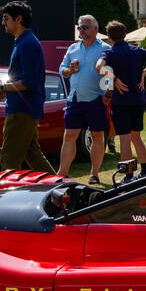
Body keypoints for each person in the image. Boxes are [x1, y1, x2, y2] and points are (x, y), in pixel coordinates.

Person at [98, 20, 146, 178]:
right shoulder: (137, 50)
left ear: (109, 37)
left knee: (125, 138)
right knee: (136, 136)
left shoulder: (110, 53)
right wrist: (144, 72)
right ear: (125, 34)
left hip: (121, 102)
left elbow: (99, 66)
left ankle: (128, 176)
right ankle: (145, 171)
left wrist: (113, 79)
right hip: (138, 100)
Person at [0, 0, 49, 173]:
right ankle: (62, 190)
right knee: (32, 155)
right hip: (23, 107)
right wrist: (7, 88)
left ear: (18, 19)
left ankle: (11, 198)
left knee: (8, 159)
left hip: (22, 109)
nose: (3, 22)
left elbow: (28, 82)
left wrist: (2, 87)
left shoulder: (28, 44)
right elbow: (23, 80)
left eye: (6, 18)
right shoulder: (23, 42)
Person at [58, 14, 110, 183]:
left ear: (96, 29)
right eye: (79, 27)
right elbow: (62, 70)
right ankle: (62, 173)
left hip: (96, 99)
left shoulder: (105, 48)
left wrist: (107, 95)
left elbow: (109, 73)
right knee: (69, 135)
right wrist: (69, 70)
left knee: (97, 135)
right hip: (75, 98)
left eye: (85, 27)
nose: (81, 30)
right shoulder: (73, 48)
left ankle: (94, 174)